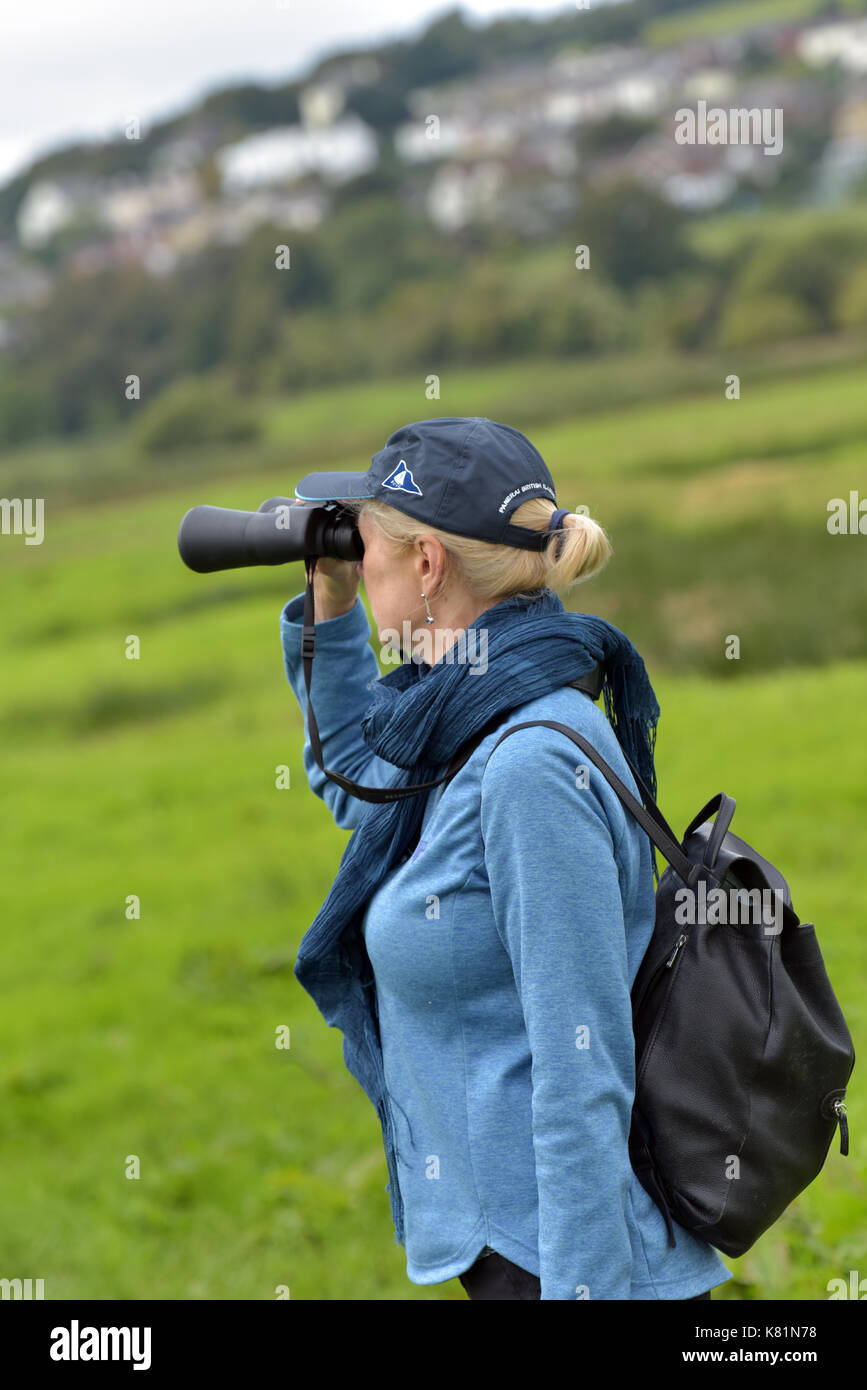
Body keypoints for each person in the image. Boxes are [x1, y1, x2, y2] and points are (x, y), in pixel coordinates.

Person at [279, 416, 733, 1301]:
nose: (358, 559)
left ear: (425, 566)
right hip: (516, 1256)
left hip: (569, 1270)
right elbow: (357, 785)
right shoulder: (466, 721)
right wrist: (329, 604)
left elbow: (581, 1067)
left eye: (365, 540)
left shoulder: (528, 766)